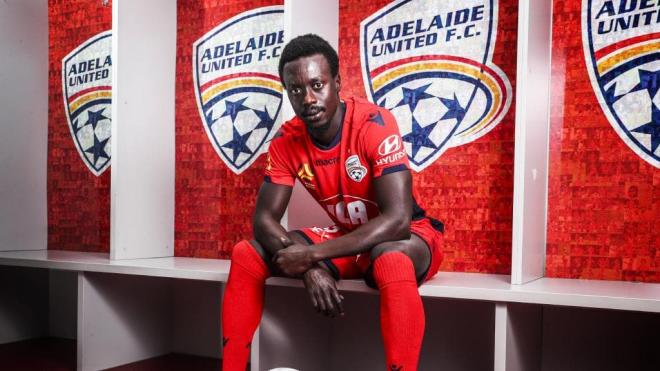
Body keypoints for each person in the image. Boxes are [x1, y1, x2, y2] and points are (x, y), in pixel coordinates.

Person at [221, 33, 444, 371]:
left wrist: (310, 255)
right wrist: (310, 268)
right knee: (246, 252)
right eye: (296, 90)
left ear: (337, 82)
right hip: (346, 239)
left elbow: (397, 220)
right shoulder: (286, 140)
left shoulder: (374, 124)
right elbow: (264, 220)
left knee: (390, 259)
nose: (308, 98)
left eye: (317, 85)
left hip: (407, 236)